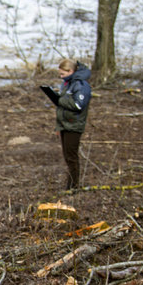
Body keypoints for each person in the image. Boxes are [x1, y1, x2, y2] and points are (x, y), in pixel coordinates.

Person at [52, 58, 92, 190]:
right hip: (65, 125)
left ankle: (74, 186)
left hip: (73, 126)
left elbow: (78, 104)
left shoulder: (80, 85)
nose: (61, 77)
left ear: (71, 71)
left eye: (63, 74)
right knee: (68, 157)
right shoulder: (69, 83)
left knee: (71, 157)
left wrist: (59, 100)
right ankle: (70, 185)